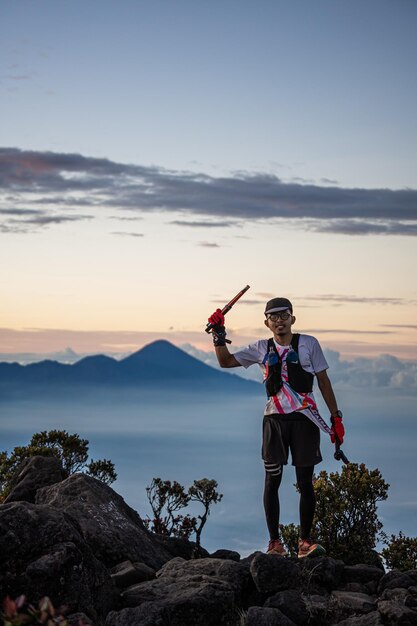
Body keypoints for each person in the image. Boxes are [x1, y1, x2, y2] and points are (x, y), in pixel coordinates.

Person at [208, 297, 345, 558]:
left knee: (306, 482)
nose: (279, 320)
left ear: (293, 319)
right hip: (274, 421)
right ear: (266, 322)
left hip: (306, 420)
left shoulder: (309, 344)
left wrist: (335, 417)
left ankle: (304, 543)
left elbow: (324, 381)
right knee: (273, 480)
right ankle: (274, 543)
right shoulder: (261, 348)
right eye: (274, 316)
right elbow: (225, 361)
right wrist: (218, 334)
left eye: (284, 315)